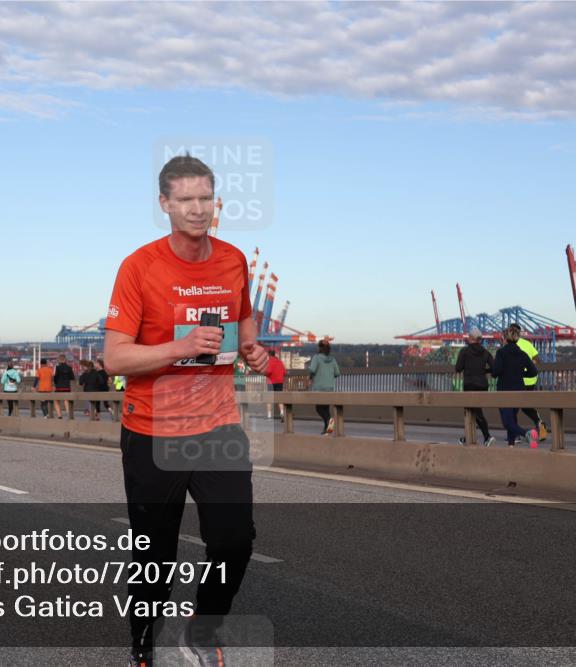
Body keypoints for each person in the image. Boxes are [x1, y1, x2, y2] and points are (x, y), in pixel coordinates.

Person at [103, 154, 269, 667]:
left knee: (235, 541)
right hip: (152, 431)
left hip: (217, 424)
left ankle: (201, 631)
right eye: (185, 200)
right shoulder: (139, 267)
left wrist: (253, 351)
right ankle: (143, 648)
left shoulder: (233, 260)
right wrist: (179, 347)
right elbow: (115, 357)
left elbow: (243, 327)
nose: (197, 209)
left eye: (205, 199)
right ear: (165, 205)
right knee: (155, 555)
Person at [492, 326, 540, 448]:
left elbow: (495, 372)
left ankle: (526, 434)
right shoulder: (522, 354)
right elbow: (533, 372)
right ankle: (511, 445)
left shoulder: (501, 353)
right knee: (512, 418)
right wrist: (521, 373)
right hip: (519, 389)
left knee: (507, 422)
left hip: (504, 390)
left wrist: (497, 370)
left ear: (505, 339)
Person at [454, 327, 495, 446]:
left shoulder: (464, 351)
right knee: (474, 411)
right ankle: (468, 438)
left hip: (470, 385)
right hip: (483, 385)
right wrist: (483, 371)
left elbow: (458, 368)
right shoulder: (486, 352)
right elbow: (494, 368)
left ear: (471, 338)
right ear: (480, 340)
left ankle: (487, 436)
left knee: (473, 412)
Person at [509, 323, 548, 442]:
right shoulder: (527, 344)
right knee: (526, 406)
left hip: (518, 380)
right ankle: (539, 422)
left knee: (512, 407)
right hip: (531, 380)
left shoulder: (510, 345)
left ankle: (515, 436)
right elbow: (538, 360)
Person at [309, 339, 340, 435]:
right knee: (325, 408)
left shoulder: (316, 358)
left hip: (319, 388)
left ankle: (329, 421)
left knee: (319, 408)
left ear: (319, 348)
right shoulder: (333, 359)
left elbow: (312, 370)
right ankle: (327, 428)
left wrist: (310, 376)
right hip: (330, 388)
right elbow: (337, 373)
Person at [264, 349, 287, 421]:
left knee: (269, 399)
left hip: (271, 382)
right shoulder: (280, 362)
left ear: (269, 355)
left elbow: (268, 371)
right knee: (279, 398)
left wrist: (265, 373)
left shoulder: (269, 361)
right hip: (280, 382)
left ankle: (269, 416)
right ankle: (282, 413)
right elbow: (284, 372)